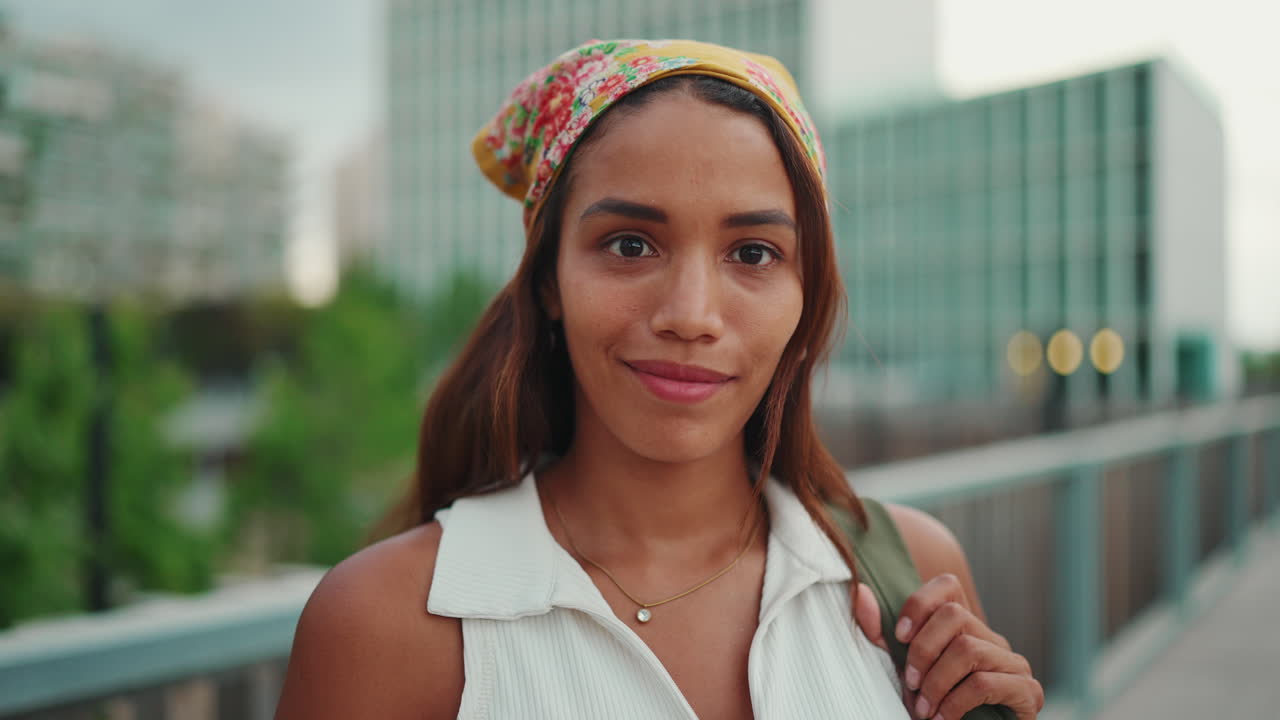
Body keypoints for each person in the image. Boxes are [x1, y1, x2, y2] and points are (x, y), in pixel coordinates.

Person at [275, 39, 1043, 720]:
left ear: (805, 296)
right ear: (548, 281)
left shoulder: (911, 573)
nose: (690, 315)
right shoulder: (386, 626)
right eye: (631, 244)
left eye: (753, 254)